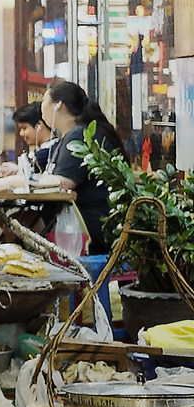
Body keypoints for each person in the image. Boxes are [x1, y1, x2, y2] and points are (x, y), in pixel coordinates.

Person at [41, 80, 121, 269]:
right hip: (102, 224)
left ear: (58, 104)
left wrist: (14, 181)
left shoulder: (79, 134)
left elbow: (64, 182)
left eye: (44, 100)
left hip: (97, 230)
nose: (41, 107)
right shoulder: (76, 133)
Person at [9, 102, 55, 173]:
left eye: (24, 128)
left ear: (39, 125)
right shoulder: (43, 150)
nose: (21, 133)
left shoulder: (49, 153)